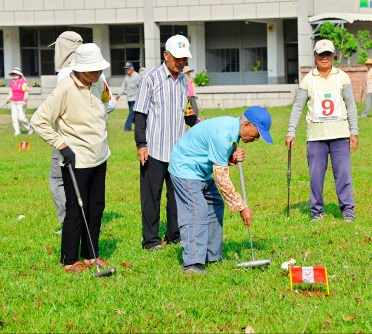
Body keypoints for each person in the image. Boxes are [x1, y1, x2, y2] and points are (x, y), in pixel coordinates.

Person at [31, 43, 112, 273]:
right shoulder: (65, 89)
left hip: (99, 156)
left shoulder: (97, 83)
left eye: (99, 69)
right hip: (77, 160)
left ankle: (90, 255)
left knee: (96, 208)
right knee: (76, 210)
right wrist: (61, 144)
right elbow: (39, 120)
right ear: (80, 68)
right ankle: (69, 260)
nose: (98, 73)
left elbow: (106, 102)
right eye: (94, 70)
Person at [168, 106, 273, 274]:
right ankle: (192, 264)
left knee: (215, 203)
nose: (257, 138)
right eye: (257, 133)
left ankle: (212, 255)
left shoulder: (233, 131)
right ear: (247, 124)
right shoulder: (224, 135)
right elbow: (221, 178)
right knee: (197, 210)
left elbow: (218, 157)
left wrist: (231, 157)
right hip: (185, 167)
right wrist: (242, 207)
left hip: (200, 170)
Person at [47, 31, 115, 235]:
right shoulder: (98, 73)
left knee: (60, 180)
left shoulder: (68, 75)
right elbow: (110, 103)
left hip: (72, 144)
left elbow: (55, 112)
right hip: (95, 144)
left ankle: (71, 224)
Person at [286, 39, 359, 223]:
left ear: (334, 55)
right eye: (321, 54)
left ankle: (348, 210)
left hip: (340, 135)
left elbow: (350, 105)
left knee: (343, 175)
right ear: (315, 56)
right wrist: (291, 131)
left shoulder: (342, 77)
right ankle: (316, 211)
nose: (324, 58)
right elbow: (297, 107)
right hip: (316, 137)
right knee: (315, 177)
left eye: (328, 54)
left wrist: (354, 131)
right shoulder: (307, 80)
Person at [134, 34, 197, 250]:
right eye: (177, 58)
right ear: (166, 55)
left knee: (176, 196)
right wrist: (141, 144)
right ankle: (151, 240)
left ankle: (174, 235)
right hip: (154, 149)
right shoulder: (150, 79)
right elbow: (140, 114)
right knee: (151, 198)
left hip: (178, 150)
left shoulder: (183, 81)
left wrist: (198, 124)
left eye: (184, 59)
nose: (181, 63)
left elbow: (187, 112)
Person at [5, 67, 33, 136]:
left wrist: (25, 101)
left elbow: (26, 93)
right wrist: (8, 98)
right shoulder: (12, 83)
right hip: (13, 102)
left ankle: (30, 128)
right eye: (13, 74)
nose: (15, 75)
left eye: (16, 74)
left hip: (21, 102)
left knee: (21, 118)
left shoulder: (23, 83)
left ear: (19, 74)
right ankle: (17, 131)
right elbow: (11, 92)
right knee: (14, 118)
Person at [116, 62, 141, 132]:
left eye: (128, 68)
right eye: (126, 69)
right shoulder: (126, 77)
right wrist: (118, 95)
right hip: (129, 99)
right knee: (133, 115)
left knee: (131, 114)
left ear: (132, 68)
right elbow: (123, 87)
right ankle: (140, 127)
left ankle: (127, 128)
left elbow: (142, 86)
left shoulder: (137, 76)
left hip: (135, 99)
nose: (127, 70)